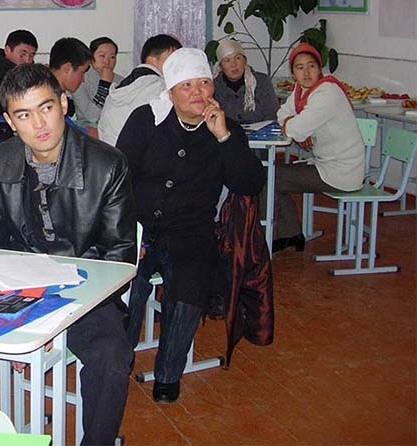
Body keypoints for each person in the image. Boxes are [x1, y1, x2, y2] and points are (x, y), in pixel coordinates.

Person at [0, 64, 136, 446]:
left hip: (88, 293)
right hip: (22, 293)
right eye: (24, 115)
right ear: (10, 122)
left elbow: (118, 256)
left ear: (63, 103)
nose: (39, 124)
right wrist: (16, 316)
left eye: (46, 108)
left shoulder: (107, 165)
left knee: (112, 357)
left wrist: (58, 321)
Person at [116, 48, 265, 404]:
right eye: (187, 86)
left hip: (191, 231)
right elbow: (118, 177)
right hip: (138, 227)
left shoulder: (223, 127)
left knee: (189, 287)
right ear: (170, 92)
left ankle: (169, 373)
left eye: (203, 83)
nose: (198, 92)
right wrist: (125, 233)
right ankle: (117, 362)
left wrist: (224, 138)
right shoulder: (146, 120)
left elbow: (249, 182)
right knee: (126, 287)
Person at [270, 43, 364, 252]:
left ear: (319, 68)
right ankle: (288, 233)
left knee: (269, 176)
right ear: (293, 73)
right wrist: (296, 126)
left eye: (311, 66)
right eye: (299, 68)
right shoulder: (300, 90)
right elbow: (282, 114)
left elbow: (295, 129)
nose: (306, 73)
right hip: (326, 163)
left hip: (342, 171)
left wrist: (297, 127)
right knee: (272, 174)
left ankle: (278, 235)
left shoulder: (327, 92)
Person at [98, 34, 182, 145]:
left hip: (110, 155)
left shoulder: (123, 85)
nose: (178, 65)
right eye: (173, 59)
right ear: (151, 59)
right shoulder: (160, 88)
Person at [0, 29, 38, 140]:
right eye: (22, 54)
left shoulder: (31, 73)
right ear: (8, 50)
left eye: (31, 55)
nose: (27, 60)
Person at [211, 38, 278, 124]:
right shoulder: (213, 87)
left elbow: (272, 115)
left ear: (245, 60)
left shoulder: (262, 81)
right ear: (220, 66)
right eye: (227, 60)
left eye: (237, 58)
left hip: (260, 135)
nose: (233, 64)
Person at [72, 37, 123, 128]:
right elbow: (92, 116)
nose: (107, 61)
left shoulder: (121, 81)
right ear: (91, 58)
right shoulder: (80, 79)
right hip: (86, 131)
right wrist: (105, 84)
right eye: (102, 56)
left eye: (112, 57)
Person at [48, 37, 92, 119]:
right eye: (82, 72)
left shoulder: (56, 93)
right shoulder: (46, 98)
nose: (83, 80)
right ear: (67, 68)